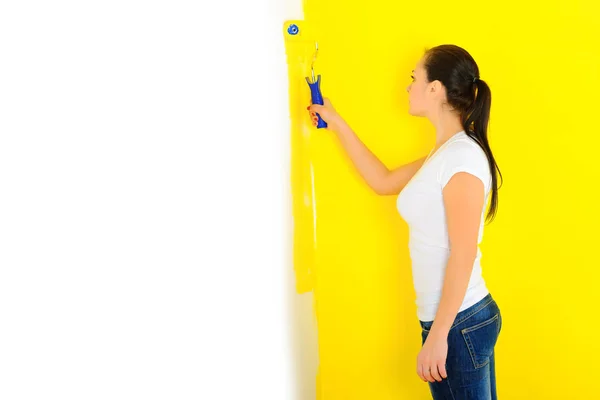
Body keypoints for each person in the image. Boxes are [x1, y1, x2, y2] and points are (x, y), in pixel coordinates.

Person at [307, 44, 503, 400]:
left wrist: (439, 335)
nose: (408, 86)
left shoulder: (461, 157)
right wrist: (336, 122)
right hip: (456, 320)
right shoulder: (443, 154)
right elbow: (382, 181)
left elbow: (463, 253)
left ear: (435, 88)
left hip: (458, 323)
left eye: (414, 78)